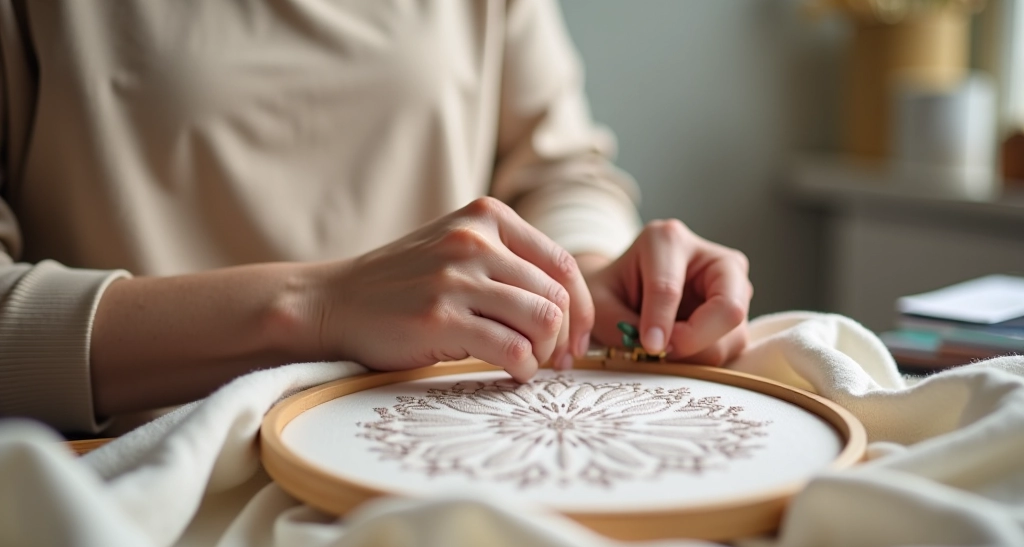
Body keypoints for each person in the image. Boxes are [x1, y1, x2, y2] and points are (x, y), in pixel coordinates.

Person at [0, 0, 752, 435]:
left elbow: (557, 167)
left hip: (458, 451)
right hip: (139, 476)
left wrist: (581, 272)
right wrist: (319, 308)